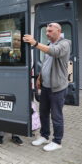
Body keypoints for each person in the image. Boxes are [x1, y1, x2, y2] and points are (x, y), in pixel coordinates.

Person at [23, 23, 71, 151]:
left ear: (58, 31)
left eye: (50, 31)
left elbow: (55, 53)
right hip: (45, 87)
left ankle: (57, 141)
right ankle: (44, 136)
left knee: (56, 115)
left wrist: (35, 43)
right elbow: (46, 63)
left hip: (57, 88)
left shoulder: (65, 44)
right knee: (43, 113)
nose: (47, 34)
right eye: (46, 32)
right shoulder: (49, 45)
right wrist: (39, 77)